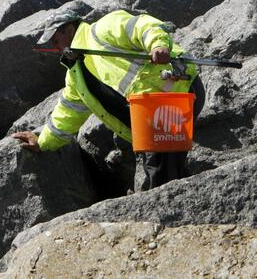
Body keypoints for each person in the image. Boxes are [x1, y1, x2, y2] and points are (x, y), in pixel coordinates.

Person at [12, 10, 205, 191]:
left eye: (56, 40)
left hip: (177, 94)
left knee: (160, 169)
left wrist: (158, 44)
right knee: (166, 168)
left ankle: (172, 216)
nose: (55, 48)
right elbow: (68, 113)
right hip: (151, 117)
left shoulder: (103, 28)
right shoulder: (76, 76)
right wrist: (42, 142)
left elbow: (142, 25)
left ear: (69, 29)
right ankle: (194, 199)